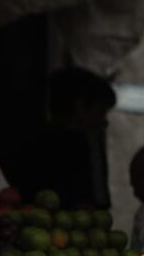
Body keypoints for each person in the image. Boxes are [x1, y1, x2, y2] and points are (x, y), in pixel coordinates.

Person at [45, 67, 116, 209]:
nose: (104, 122)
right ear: (80, 107)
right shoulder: (76, 143)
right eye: (100, 112)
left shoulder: (91, 140)